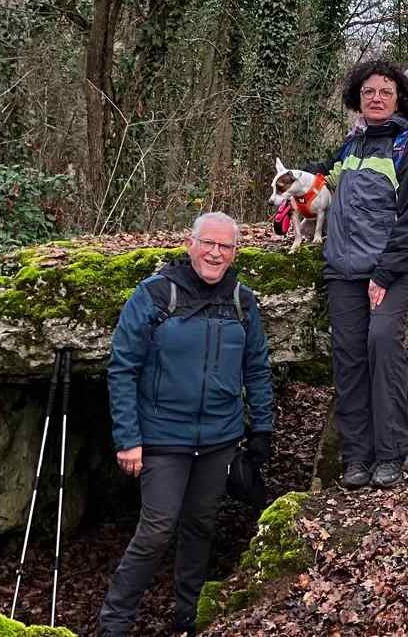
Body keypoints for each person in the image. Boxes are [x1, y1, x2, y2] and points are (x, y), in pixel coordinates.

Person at [101, 212, 274, 636]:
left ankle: (189, 616)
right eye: (208, 243)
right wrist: (128, 439)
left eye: (225, 246)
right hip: (163, 436)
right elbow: (123, 367)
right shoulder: (155, 295)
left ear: (235, 253)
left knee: (201, 525)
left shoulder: (241, 300)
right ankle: (115, 622)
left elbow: (257, 367)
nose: (215, 252)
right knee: (158, 528)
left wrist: (262, 428)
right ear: (190, 244)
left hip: (219, 438)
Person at [320, 60, 408, 489]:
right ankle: (355, 457)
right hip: (343, 270)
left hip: (392, 269)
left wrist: (385, 274)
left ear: (399, 98)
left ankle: (390, 454)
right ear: (358, 97)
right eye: (369, 91)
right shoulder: (349, 147)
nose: (376, 97)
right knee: (348, 358)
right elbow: (320, 189)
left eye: (386, 91)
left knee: (382, 344)